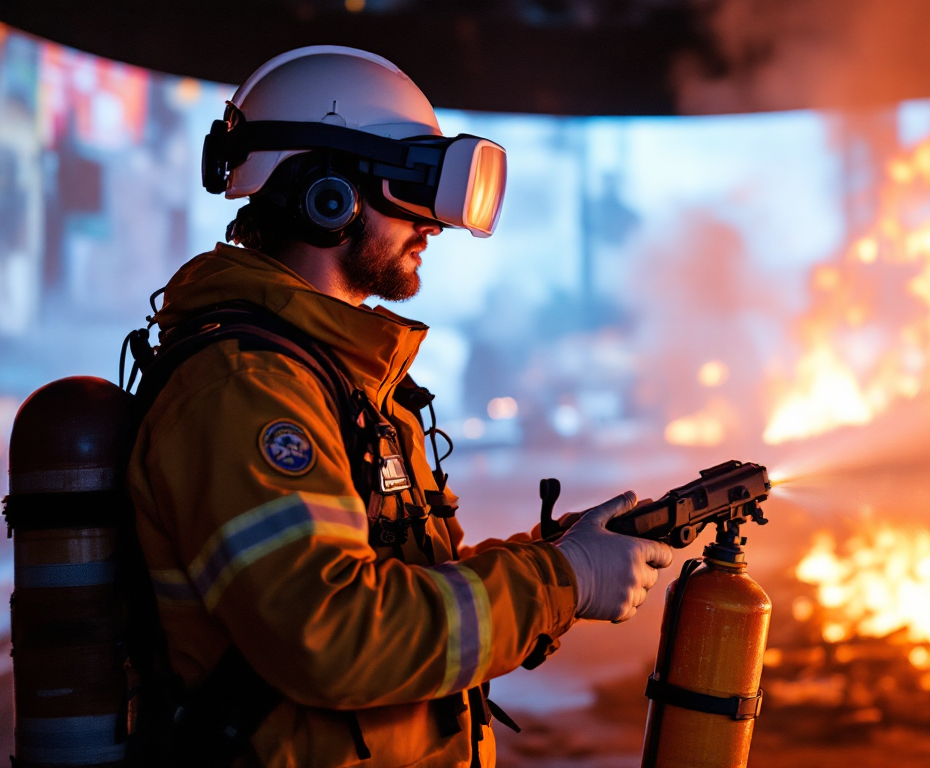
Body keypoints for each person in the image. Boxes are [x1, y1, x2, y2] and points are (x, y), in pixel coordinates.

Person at [125, 46, 674, 768]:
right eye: (411, 183)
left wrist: (553, 557)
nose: (434, 224)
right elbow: (334, 634)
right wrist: (561, 581)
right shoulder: (245, 390)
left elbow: (402, 585)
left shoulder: (343, 377)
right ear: (328, 194)